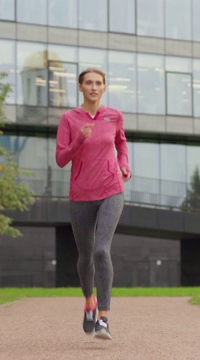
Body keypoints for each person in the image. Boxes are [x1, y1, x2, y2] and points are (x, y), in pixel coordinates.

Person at [55, 68, 132, 340]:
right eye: (88, 83)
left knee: (102, 250)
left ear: (104, 87)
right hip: (81, 195)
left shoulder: (114, 116)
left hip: (111, 189)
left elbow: (121, 143)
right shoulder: (69, 119)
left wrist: (123, 165)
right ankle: (89, 302)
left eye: (98, 83)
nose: (94, 87)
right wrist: (79, 139)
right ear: (80, 87)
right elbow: (61, 159)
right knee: (86, 256)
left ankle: (104, 319)